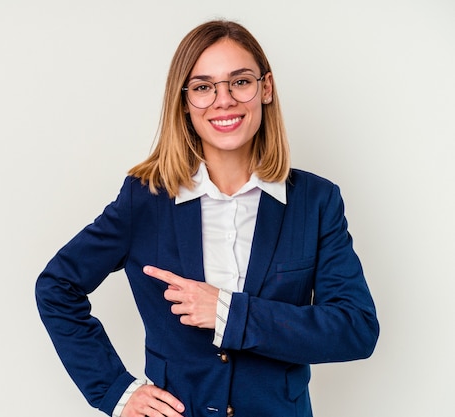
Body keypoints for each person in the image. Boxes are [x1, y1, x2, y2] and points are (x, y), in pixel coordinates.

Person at [35, 19, 379, 417]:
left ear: (265, 89)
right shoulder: (145, 199)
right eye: (203, 87)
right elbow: (57, 287)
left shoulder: (316, 201)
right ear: (184, 101)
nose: (224, 100)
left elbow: (356, 329)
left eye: (240, 82)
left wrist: (232, 314)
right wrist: (116, 392)